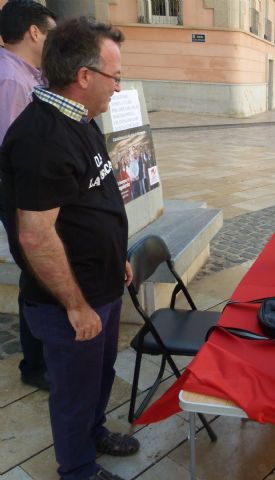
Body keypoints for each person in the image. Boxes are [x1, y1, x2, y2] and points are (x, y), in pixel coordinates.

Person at [0, 17, 139, 480]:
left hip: (98, 285)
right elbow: (35, 236)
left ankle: (93, 433)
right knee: (75, 390)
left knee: (98, 378)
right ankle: (78, 469)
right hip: (69, 300)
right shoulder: (42, 137)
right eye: (114, 77)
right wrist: (76, 306)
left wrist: (114, 254)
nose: (118, 87)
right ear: (84, 77)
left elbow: (91, 200)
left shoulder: (77, 119)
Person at [0, 0, 57, 391]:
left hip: (30, 193)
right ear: (34, 32)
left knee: (37, 275)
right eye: (50, 33)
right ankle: (36, 365)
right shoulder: (11, 79)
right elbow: (14, 150)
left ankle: (40, 357)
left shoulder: (28, 75)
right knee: (37, 275)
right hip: (22, 197)